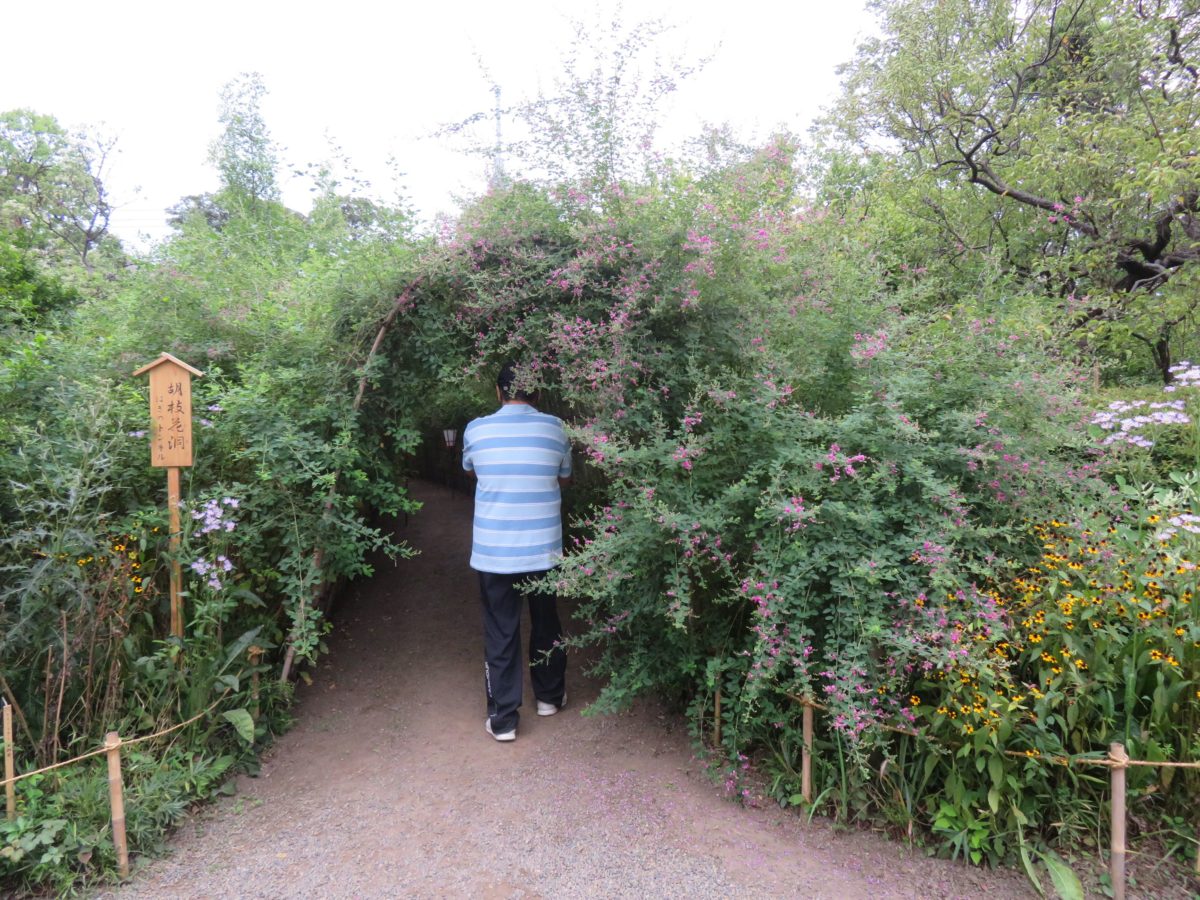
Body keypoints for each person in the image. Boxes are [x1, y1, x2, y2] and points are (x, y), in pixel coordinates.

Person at [462, 363, 572, 742]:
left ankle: (504, 719)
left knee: (500, 629)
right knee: (546, 621)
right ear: (538, 393)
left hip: (494, 553)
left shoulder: (476, 429)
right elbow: (564, 477)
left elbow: (473, 470)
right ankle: (549, 697)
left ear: (498, 392)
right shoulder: (556, 428)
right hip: (543, 550)